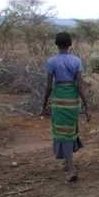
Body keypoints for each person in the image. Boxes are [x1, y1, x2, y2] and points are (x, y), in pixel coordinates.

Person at [42, 31, 91, 182]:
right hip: (72, 102)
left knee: (63, 133)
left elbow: (49, 86)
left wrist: (44, 104)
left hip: (59, 101)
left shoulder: (51, 62)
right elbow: (80, 85)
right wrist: (87, 106)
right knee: (69, 131)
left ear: (56, 44)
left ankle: (71, 169)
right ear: (70, 44)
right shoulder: (76, 61)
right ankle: (67, 162)